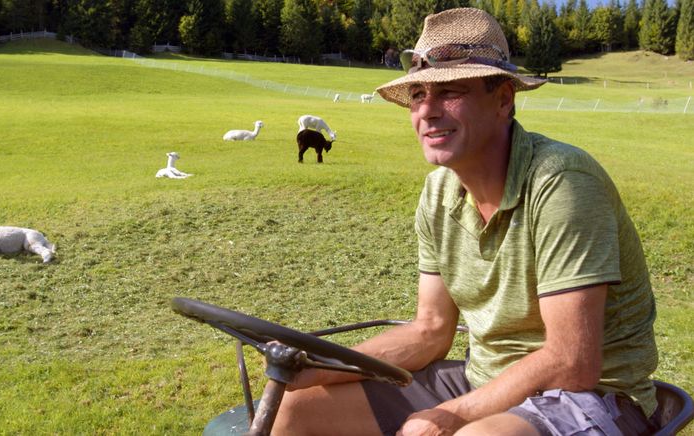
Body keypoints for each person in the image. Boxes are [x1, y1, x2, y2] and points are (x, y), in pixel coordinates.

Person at [271, 7, 659, 436]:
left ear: (504, 100)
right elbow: (430, 330)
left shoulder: (561, 183)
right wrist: (318, 367)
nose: (428, 111)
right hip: (484, 379)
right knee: (296, 409)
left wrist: (453, 416)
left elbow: (573, 361)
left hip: (595, 397)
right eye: (418, 95)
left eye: (450, 91)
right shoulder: (438, 194)